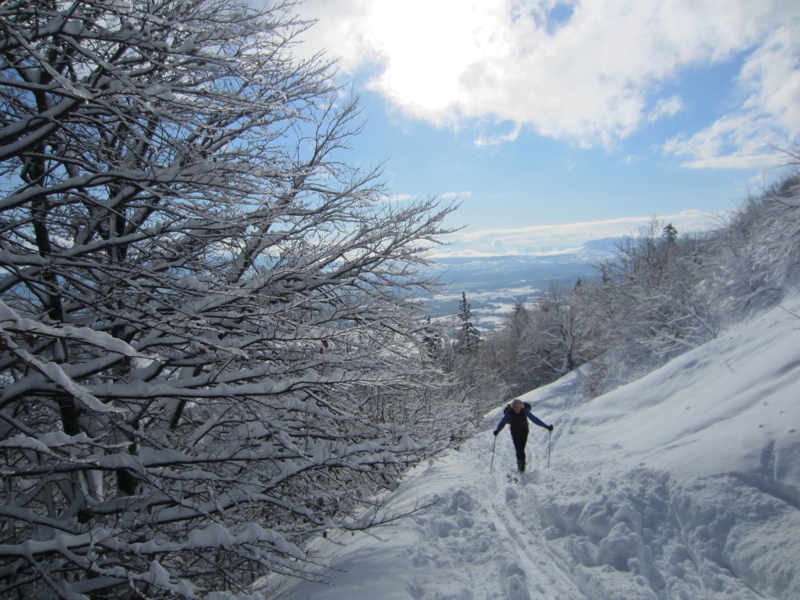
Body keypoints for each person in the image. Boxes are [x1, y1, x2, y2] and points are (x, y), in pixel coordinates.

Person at [493, 399, 553, 473]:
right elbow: (503, 422)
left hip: (524, 433)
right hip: (515, 433)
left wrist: (546, 426)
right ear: (512, 407)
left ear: (521, 406)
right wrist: (497, 430)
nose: (516, 409)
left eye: (518, 407)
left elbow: (534, 419)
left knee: (521, 449)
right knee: (519, 449)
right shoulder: (509, 413)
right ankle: (521, 467)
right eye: (515, 407)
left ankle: (521, 467)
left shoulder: (525, 411)